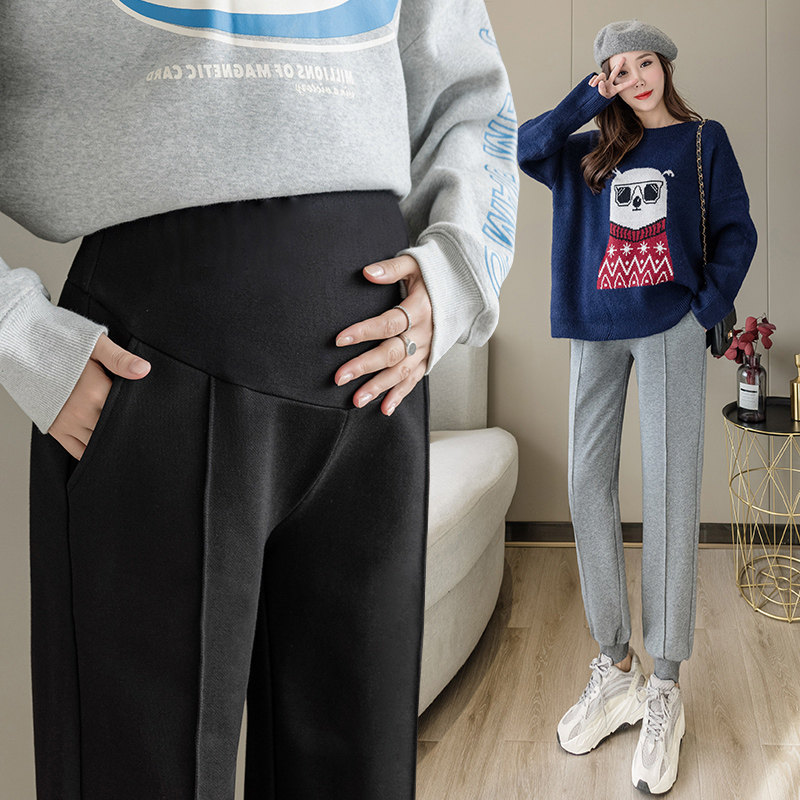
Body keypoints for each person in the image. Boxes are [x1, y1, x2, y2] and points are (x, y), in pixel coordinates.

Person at [0, 3, 517, 798]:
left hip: (377, 391)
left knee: (361, 777)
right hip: (150, 375)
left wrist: (454, 273)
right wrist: (18, 332)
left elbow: (467, 97)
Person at [517, 19, 756, 795]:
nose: (635, 78)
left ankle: (666, 686)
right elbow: (523, 147)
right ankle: (616, 665)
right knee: (586, 486)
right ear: (605, 82)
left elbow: (737, 232)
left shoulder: (703, 140)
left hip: (670, 330)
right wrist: (586, 98)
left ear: (665, 65)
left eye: (644, 62)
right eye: (617, 70)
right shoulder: (589, 149)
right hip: (595, 330)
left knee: (670, 493)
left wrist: (704, 307)